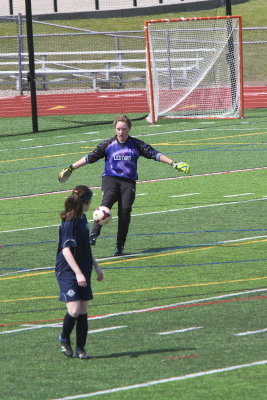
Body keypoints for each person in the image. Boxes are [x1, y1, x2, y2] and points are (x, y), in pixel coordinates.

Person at [58, 115, 190, 256]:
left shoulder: (136, 144)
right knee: (106, 204)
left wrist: (173, 163)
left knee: (125, 212)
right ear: (115, 129)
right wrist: (71, 168)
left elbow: (154, 154)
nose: (121, 132)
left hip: (128, 182)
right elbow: (90, 157)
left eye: (124, 129)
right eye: (118, 129)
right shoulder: (108, 144)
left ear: (129, 129)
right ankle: (93, 235)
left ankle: (119, 247)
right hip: (110, 179)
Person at [55, 185, 104, 359]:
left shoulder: (83, 219)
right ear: (87, 201)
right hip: (68, 270)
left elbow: (84, 248)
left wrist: (95, 266)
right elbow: (66, 250)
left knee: (83, 309)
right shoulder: (70, 221)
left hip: (83, 268)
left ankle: (80, 349)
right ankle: (64, 338)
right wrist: (77, 272)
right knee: (74, 309)